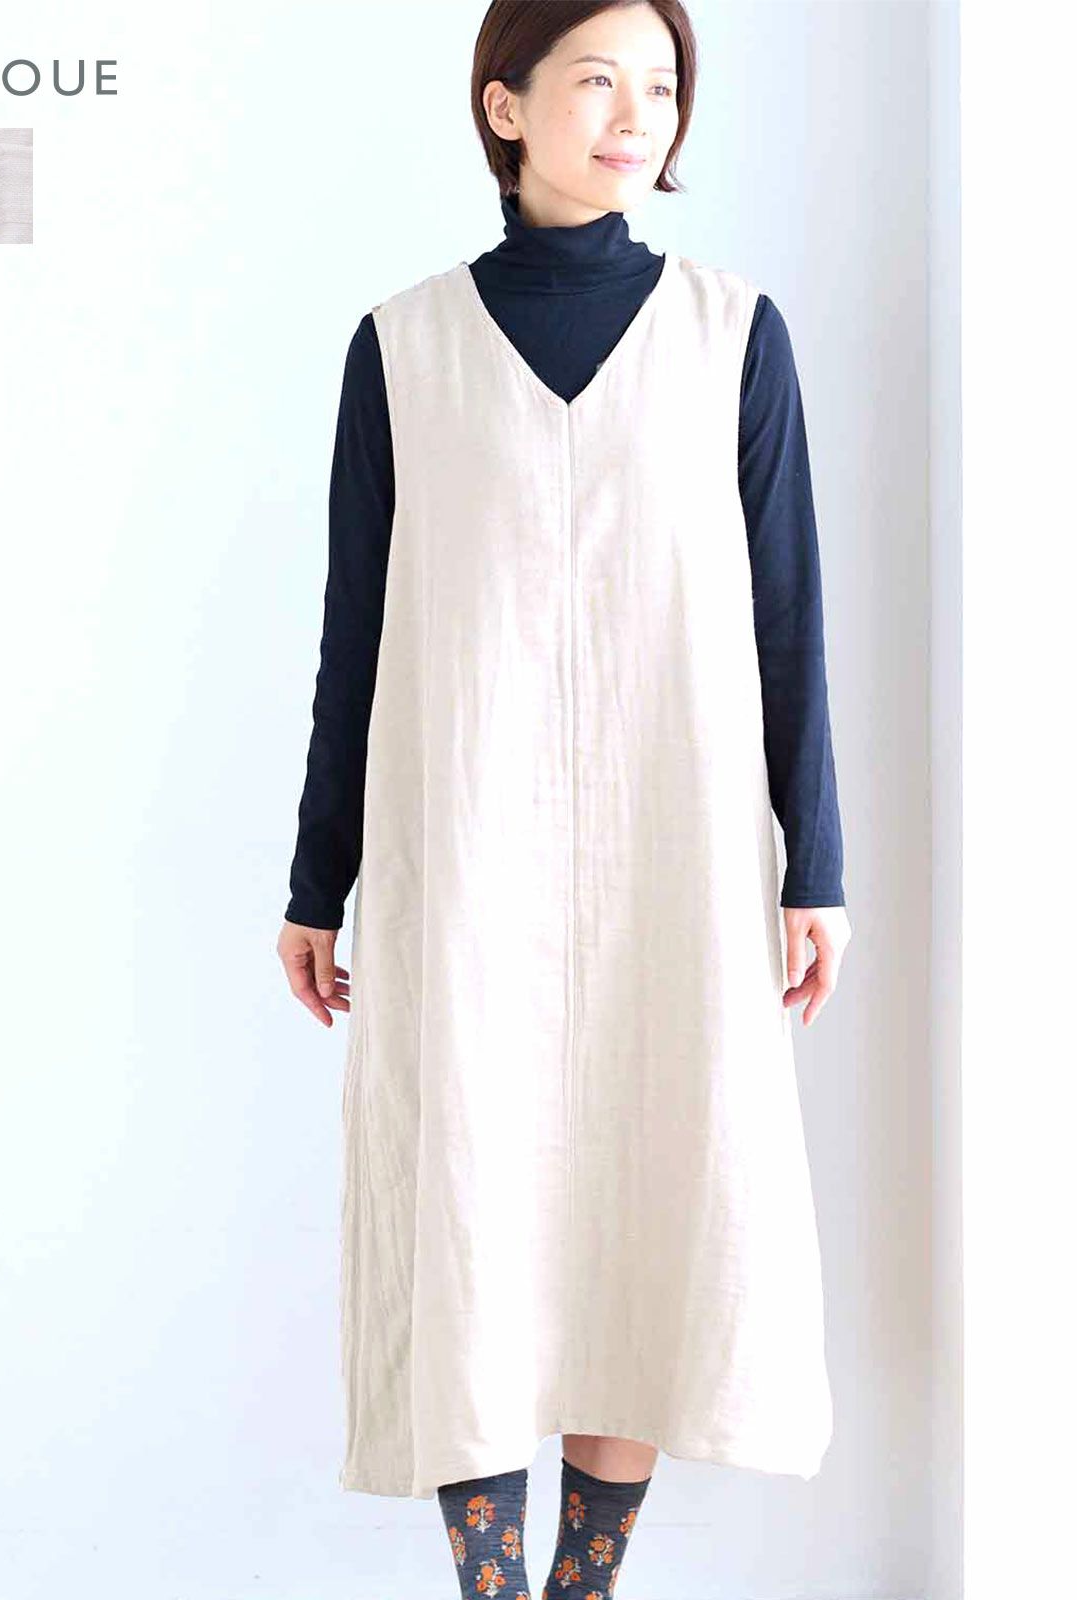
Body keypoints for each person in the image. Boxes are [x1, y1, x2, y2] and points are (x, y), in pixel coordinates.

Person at [276, 3, 852, 1595]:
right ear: (505, 105)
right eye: (597, 79)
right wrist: (318, 883)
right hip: (463, 854)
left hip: (678, 853)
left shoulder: (736, 336)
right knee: (475, 1218)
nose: (635, 114)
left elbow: (791, 617)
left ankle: (581, 1588)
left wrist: (816, 864)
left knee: (640, 1217)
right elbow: (356, 633)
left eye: (661, 86)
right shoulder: (404, 349)